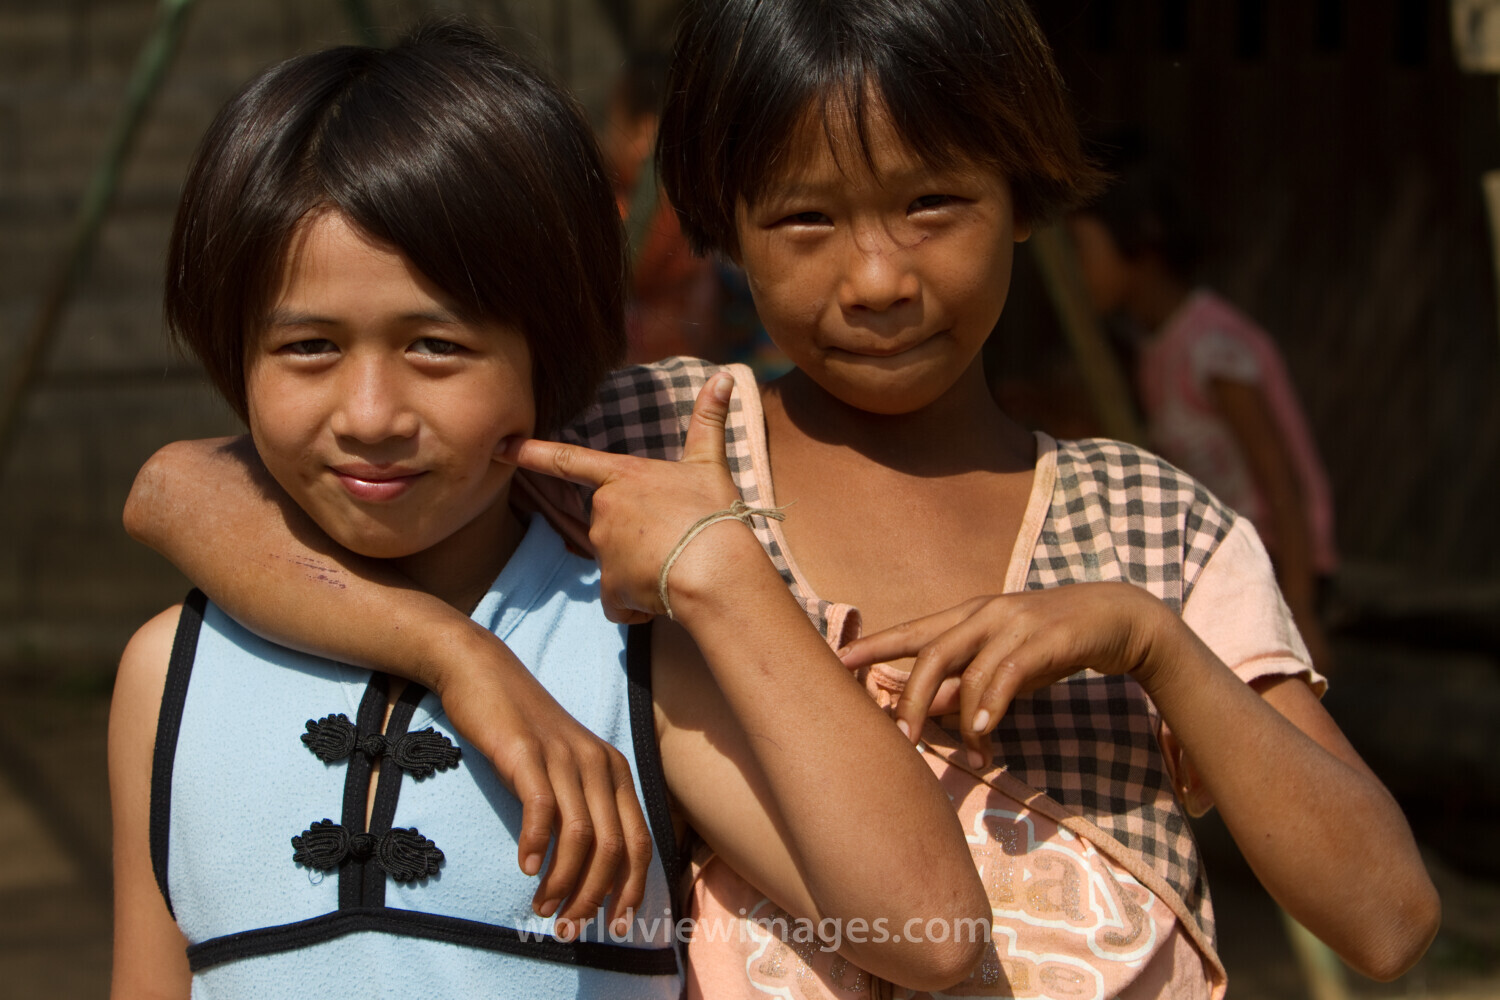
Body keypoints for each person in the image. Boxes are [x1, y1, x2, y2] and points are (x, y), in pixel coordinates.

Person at [125, 2, 1441, 996]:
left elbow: (1385, 920)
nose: (876, 277)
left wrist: (1149, 645)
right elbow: (189, 487)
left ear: (1026, 198)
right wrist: (449, 653)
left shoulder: (1157, 528)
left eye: (933, 205)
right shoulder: (645, 442)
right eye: (807, 221)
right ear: (720, 229)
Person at [108, 21, 989, 999]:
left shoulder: (632, 656)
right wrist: (454, 654)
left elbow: (931, 931)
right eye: (308, 347)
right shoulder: (166, 673)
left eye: (436, 346)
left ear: (549, 353)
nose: (368, 417)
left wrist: (722, 571)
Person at [1068, 145, 1339, 669]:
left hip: (1279, 565)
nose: (1078, 271)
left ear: (1140, 243)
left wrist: (1301, 608)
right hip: (1235, 564)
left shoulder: (1211, 346)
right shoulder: (1153, 346)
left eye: (1083, 249)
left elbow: (1278, 477)